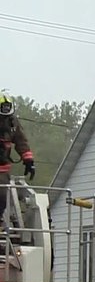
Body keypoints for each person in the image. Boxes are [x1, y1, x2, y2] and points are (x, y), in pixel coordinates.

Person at [0, 95, 35, 224]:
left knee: (2, 196)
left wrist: (28, 160)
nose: (4, 119)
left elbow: (21, 140)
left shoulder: (13, 123)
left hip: (2, 168)